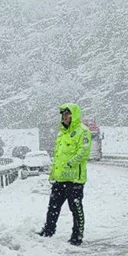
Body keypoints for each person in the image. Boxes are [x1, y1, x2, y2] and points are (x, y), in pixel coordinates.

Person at [38, 103, 91, 245]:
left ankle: (77, 235)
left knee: (76, 208)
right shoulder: (61, 134)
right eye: (63, 115)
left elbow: (84, 152)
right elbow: (57, 156)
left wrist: (70, 164)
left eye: (67, 114)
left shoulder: (83, 131)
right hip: (60, 179)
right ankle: (48, 230)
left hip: (74, 180)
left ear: (74, 115)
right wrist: (53, 174)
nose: (65, 117)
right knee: (53, 207)